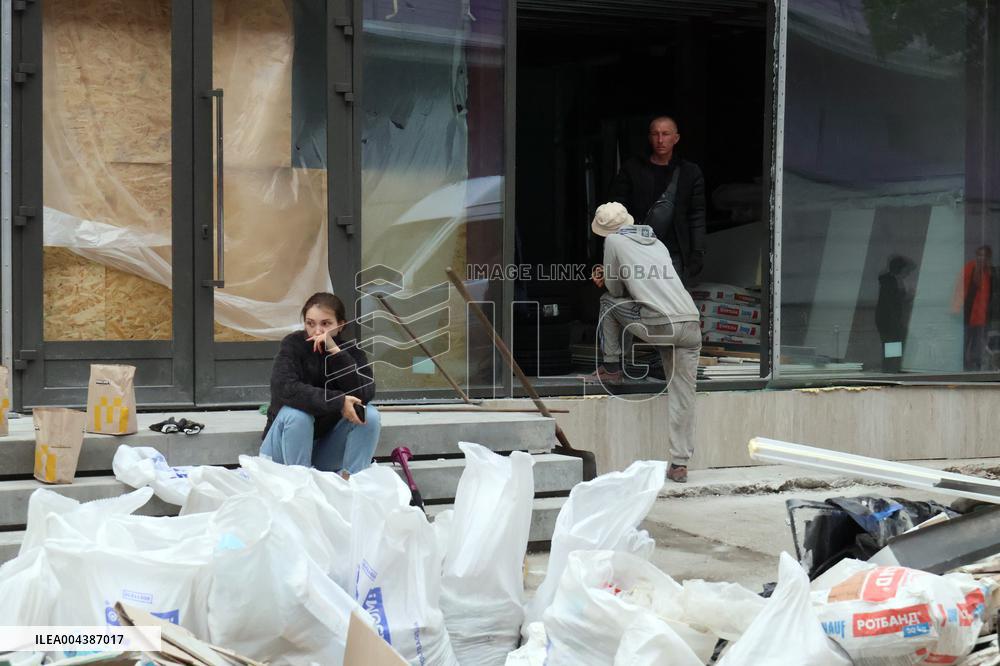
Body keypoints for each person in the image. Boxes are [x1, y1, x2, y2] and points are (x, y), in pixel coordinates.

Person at [587, 202, 701, 483]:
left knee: (606, 303)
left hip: (659, 323)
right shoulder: (656, 242)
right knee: (683, 394)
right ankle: (679, 463)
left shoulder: (613, 240)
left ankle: (612, 367)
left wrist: (603, 279)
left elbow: (614, 289)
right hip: (689, 322)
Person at [261, 292, 380, 477]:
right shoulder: (293, 345)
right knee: (297, 415)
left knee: (369, 414)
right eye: (310, 323)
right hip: (282, 449)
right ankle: (302, 490)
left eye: (325, 324)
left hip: (324, 451)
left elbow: (364, 393)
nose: (317, 331)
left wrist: (336, 352)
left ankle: (354, 483)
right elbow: (285, 389)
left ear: (340, 325)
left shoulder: (351, 352)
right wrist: (338, 401)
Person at [606, 116, 707, 283]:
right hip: (638, 248)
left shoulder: (690, 172)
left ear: (676, 138)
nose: (660, 140)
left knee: (674, 304)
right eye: (655, 134)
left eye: (666, 134)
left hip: (675, 251)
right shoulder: (632, 169)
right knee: (641, 302)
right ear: (649, 137)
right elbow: (618, 209)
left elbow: (697, 214)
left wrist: (698, 251)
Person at [953, 246, 994, 371]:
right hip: (967, 315)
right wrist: (956, 310)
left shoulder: (990, 273)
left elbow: (991, 295)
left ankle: (975, 370)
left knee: (978, 346)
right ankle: (962, 368)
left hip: (982, 317)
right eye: (980, 255)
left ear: (988, 257)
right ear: (976, 256)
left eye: (985, 256)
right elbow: (959, 290)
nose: (982, 258)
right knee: (964, 344)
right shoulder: (969, 268)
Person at [875, 255, 915, 373]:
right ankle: (891, 369)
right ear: (900, 269)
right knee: (892, 344)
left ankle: (892, 368)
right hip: (889, 320)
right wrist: (908, 297)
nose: (907, 273)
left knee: (892, 344)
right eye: (905, 270)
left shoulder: (891, 280)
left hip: (889, 320)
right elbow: (893, 301)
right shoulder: (890, 281)